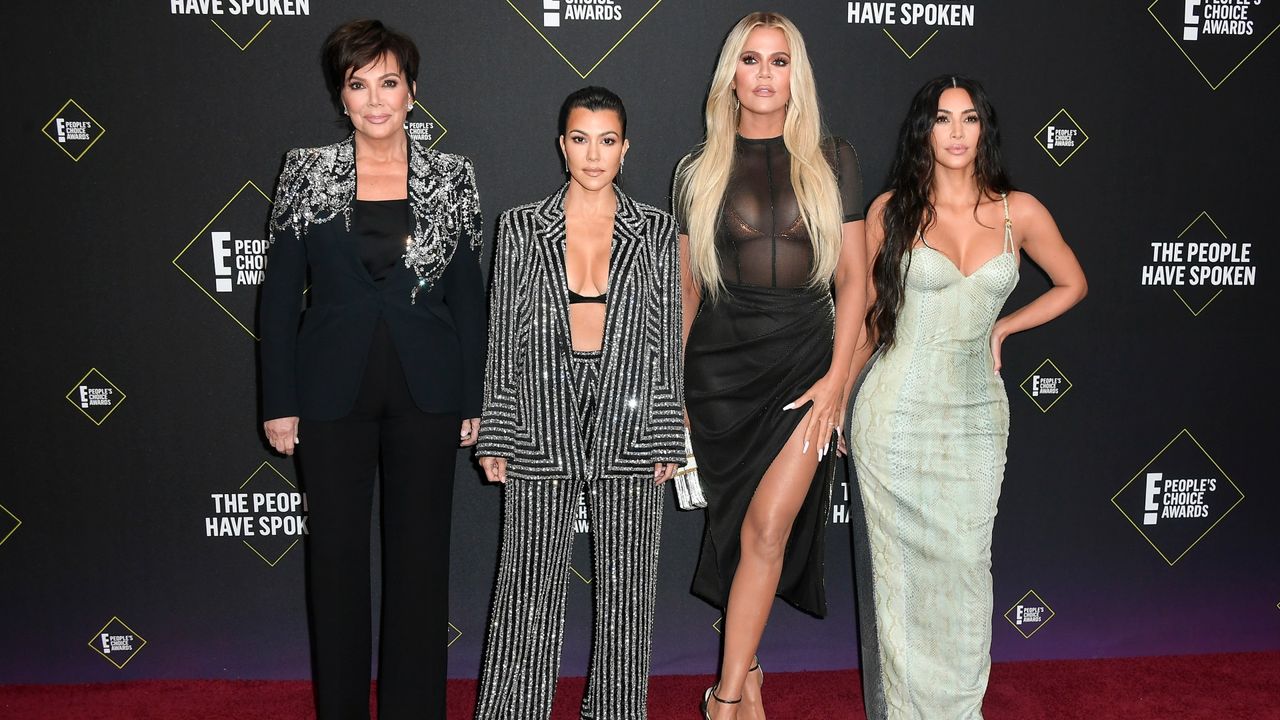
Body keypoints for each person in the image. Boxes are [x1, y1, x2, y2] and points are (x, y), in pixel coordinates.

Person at [258, 19, 485, 720]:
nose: (376, 98)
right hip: (329, 394)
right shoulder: (305, 172)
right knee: (335, 566)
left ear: (412, 91)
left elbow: (469, 300)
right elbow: (277, 296)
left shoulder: (453, 177)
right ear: (342, 94)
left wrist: (475, 398)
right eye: (359, 84)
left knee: (420, 566)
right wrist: (278, 400)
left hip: (430, 392)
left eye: (389, 82)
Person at [847, 75, 1087, 719]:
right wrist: (839, 400)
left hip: (977, 413)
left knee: (965, 565)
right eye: (943, 118)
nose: (956, 132)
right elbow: (869, 321)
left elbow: (1072, 282)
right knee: (899, 579)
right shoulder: (890, 211)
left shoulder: (1020, 211)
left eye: (969, 118)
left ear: (985, 129)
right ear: (923, 129)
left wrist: (1005, 324)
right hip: (893, 415)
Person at [673, 11, 868, 719]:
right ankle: (746, 671)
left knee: (766, 530)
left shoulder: (833, 158)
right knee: (737, 530)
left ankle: (724, 700)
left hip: (804, 365)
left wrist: (837, 381)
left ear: (796, 75)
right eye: (750, 61)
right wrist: (677, 399)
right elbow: (689, 292)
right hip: (720, 375)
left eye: (778, 61)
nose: (763, 75)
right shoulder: (698, 171)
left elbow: (856, 283)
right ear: (731, 74)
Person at [473, 86, 684, 720]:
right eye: (581, 139)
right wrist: (497, 432)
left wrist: (667, 432)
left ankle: (616, 712)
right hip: (540, 412)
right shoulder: (518, 225)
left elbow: (665, 335)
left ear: (627, 148)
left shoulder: (655, 229)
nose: (594, 154)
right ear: (562, 145)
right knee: (527, 583)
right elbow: (503, 332)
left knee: (628, 590)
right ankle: (515, 712)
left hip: (629, 413)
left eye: (608, 140)